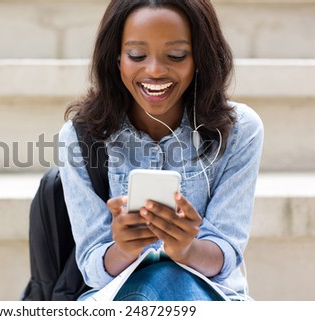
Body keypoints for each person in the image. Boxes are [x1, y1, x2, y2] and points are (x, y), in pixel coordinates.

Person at [58, 0, 263, 301]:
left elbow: (226, 252)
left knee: (170, 279)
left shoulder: (239, 130)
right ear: (116, 59)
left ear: (199, 59)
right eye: (137, 55)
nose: (154, 70)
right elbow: (92, 267)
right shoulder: (80, 136)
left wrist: (187, 250)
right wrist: (124, 248)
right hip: (119, 295)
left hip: (210, 296)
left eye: (176, 55)